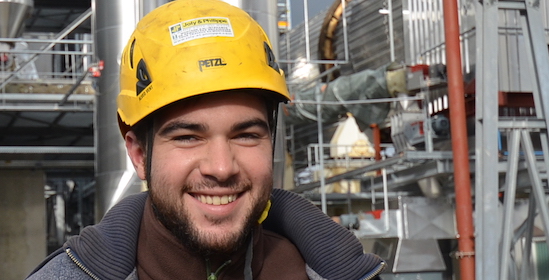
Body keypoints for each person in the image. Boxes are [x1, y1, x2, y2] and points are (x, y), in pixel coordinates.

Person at [28, 0, 384, 279]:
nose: (221, 167)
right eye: (187, 137)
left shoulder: (341, 272)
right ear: (139, 153)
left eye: (246, 135)